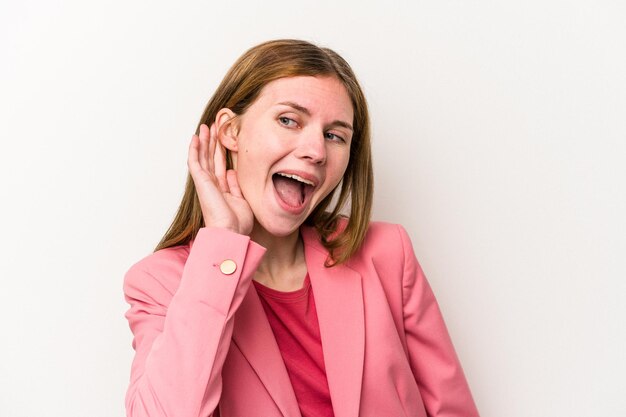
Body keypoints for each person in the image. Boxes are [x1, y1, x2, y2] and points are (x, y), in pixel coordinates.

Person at [123, 39, 480, 417]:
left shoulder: (387, 253)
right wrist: (224, 243)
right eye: (289, 120)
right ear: (230, 131)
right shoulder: (160, 283)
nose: (317, 151)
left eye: (335, 135)